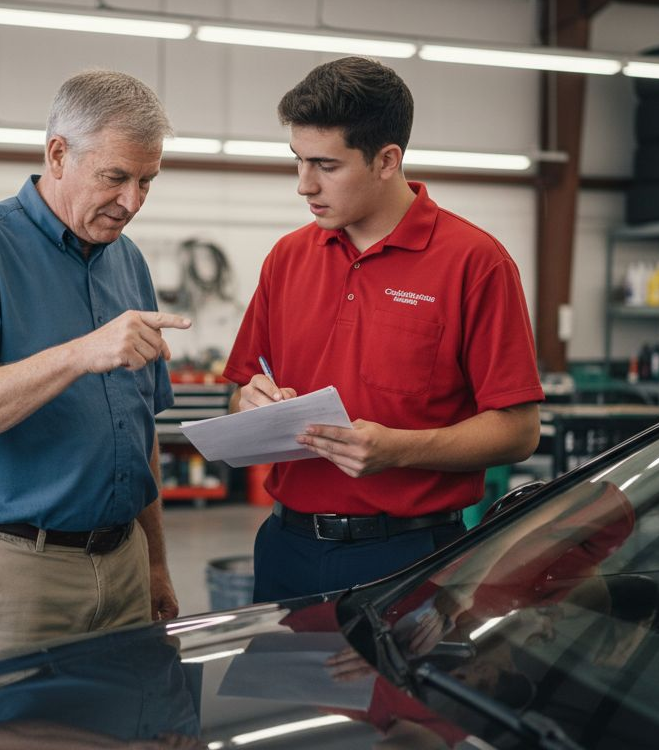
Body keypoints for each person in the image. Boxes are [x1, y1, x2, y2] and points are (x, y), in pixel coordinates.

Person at [0, 69, 191, 665]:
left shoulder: (127, 261)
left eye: (146, 181)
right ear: (58, 154)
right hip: (10, 574)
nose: (131, 202)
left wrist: (154, 562)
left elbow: (140, 432)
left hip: (125, 564)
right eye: (115, 177)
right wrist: (82, 353)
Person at [223, 56, 544, 603]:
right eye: (298, 161)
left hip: (410, 558)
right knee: (285, 694)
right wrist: (249, 404)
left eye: (325, 165)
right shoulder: (287, 257)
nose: (304, 185)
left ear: (386, 160)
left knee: (397, 694)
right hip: (286, 547)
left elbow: (519, 431)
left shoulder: (475, 263)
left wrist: (398, 450)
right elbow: (240, 391)